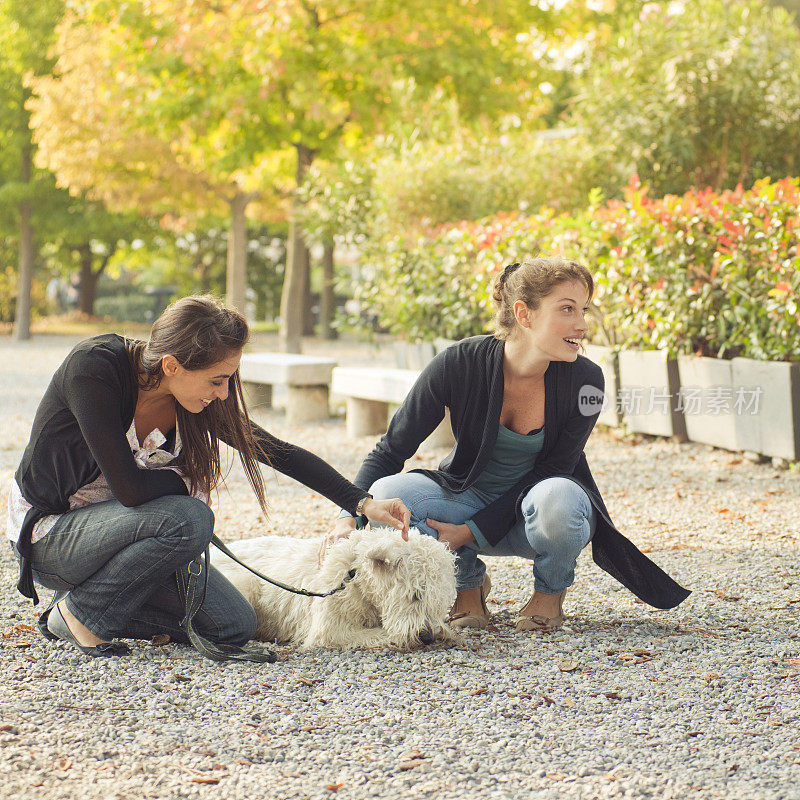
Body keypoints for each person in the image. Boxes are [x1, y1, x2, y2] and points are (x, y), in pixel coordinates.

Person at [7, 295, 409, 659]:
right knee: (190, 517)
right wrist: (185, 487)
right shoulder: (94, 369)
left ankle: (87, 602)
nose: (223, 393)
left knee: (233, 625)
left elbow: (278, 452)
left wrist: (362, 502)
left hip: (130, 542)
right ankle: (81, 613)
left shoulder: (192, 398)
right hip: (53, 537)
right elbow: (129, 489)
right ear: (171, 365)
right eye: (217, 380)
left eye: (229, 379)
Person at [322, 257, 689, 631]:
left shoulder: (587, 381)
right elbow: (390, 450)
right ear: (524, 314)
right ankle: (467, 586)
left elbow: (554, 470)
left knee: (561, 496)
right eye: (567, 309)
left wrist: (469, 532)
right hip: (461, 499)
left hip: (537, 514)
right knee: (388, 492)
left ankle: (549, 594)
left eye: (583, 310)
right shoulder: (458, 364)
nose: (582, 324)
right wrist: (347, 515)